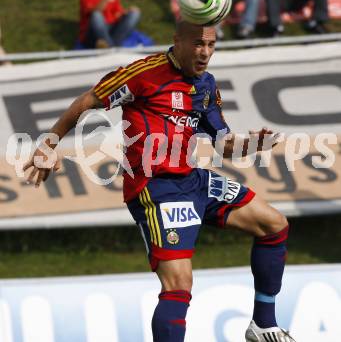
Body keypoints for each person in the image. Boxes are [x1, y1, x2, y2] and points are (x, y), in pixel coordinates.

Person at [23, 21, 296, 342]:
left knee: (274, 225)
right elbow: (88, 101)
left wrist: (255, 145)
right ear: (177, 40)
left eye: (210, 44)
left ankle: (262, 324)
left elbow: (223, 145)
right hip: (156, 189)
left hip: (193, 180)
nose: (205, 53)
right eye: (197, 44)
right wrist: (49, 143)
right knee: (179, 284)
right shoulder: (144, 73)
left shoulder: (205, 86)